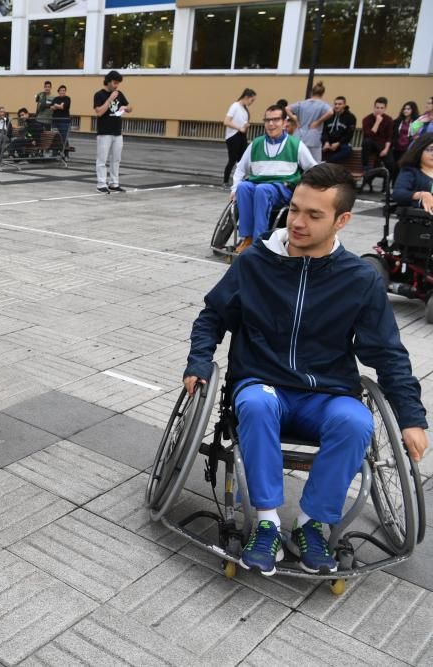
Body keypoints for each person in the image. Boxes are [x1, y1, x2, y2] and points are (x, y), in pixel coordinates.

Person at [185, 163, 428, 577]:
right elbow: (212, 316)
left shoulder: (359, 279)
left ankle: (311, 524)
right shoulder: (254, 262)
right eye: (295, 209)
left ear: (342, 220)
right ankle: (265, 522)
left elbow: (387, 353)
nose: (297, 222)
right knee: (257, 406)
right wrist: (198, 361)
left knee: (355, 421)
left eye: (314, 215)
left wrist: (410, 418)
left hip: (328, 393)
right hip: (262, 384)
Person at [230, 104, 317, 254]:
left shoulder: (296, 145)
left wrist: (308, 192)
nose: (271, 124)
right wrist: (234, 188)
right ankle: (247, 238)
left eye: (276, 120)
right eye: (267, 120)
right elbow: (240, 169)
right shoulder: (256, 144)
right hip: (258, 185)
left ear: (284, 122)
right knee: (243, 188)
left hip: (283, 187)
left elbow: (313, 168)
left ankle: (260, 241)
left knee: (262, 190)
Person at [93, 70, 132, 194]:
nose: (116, 86)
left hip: (117, 132)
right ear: (108, 81)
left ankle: (114, 183)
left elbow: (130, 107)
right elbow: (99, 112)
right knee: (102, 159)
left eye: (118, 83)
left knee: (116, 159)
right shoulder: (99, 94)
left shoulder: (119, 94)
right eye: (114, 83)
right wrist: (110, 99)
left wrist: (125, 108)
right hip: (104, 132)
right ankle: (101, 184)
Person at [288, 82, 332, 163]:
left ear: (312, 92)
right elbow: (331, 112)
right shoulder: (323, 105)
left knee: (297, 159)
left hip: (299, 135)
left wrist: (295, 119)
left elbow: (287, 108)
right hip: (313, 137)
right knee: (314, 161)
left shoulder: (302, 103)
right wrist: (318, 121)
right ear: (322, 93)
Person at [391, 133, 433, 214]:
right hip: (416, 221)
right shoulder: (410, 171)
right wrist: (421, 195)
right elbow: (398, 194)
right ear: (419, 150)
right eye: (430, 149)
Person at [360, 97, 394, 191]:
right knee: (366, 141)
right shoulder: (367, 119)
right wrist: (377, 122)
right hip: (370, 145)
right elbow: (369, 135)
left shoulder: (389, 120)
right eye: (377, 107)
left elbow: (389, 137)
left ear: (385, 108)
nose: (379, 110)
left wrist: (386, 149)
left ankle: (385, 186)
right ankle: (365, 167)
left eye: (381, 108)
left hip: (383, 146)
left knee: (391, 164)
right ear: (374, 107)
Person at [224, 89, 256, 185]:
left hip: (242, 135)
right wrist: (239, 128)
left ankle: (239, 180)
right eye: (252, 100)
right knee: (233, 159)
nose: (252, 103)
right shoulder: (235, 106)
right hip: (233, 136)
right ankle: (225, 181)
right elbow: (226, 121)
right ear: (246, 97)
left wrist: (245, 125)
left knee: (243, 159)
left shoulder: (244, 108)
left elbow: (241, 121)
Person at [321, 95, 356, 164]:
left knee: (347, 150)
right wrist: (326, 141)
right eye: (335, 104)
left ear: (344, 105)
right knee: (315, 145)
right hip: (328, 142)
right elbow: (324, 130)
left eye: (339, 104)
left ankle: (328, 162)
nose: (337, 106)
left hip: (341, 143)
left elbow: (349, 134)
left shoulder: (351, 117)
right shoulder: (329, 115)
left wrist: (338, 143)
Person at [391, 101, 419, 178]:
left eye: (408, 109)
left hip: (408, 148)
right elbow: (393, 134)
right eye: (404, 109)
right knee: (395, 166)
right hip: (397, 147)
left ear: (413, 110)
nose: (405, 110)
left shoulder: (416, 122)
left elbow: (416, 134)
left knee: (403, 166)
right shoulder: (397, 121)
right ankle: (391, 185)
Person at [51, 84, 71, 153]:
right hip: (55, 120)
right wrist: (59, 105)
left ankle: (65, 153)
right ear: (58, 91)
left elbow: (62, 107)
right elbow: (52, 107)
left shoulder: (67, 98)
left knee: (64, 137)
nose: (62, 92)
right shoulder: (55, 98)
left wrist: (56, 105)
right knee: (55, 137)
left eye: (64, 90)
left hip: (64, 121)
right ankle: (55, 153)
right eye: (61, 90)